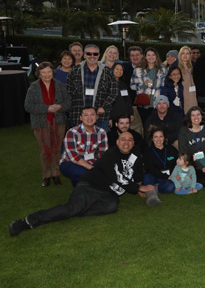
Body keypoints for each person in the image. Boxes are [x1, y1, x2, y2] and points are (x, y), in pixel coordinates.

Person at [9, 131, 158, 237]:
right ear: (117, 142)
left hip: (109, 193)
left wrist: (139, 186)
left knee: (112, 206)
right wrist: (139, 187)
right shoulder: (110, 154)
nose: (126, 142)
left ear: (133, 143)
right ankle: (26, 222)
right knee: (70, 209)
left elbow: (138, 173)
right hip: (90, 186)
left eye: (130, 140)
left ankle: (77, 211)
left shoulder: (137, 154)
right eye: (123, 139)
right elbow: (118, 178)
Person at [25, 61, 71, 187]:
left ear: (53, 72)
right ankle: (46, 176)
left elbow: (68, 103)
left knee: (56, 149)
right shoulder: (33, 87)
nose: (46, 75)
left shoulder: (60, 86)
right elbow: (28, 106)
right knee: (44, 150)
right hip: (41, 123)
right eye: (43, 72)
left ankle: (56, 174)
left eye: (49, 72)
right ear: (39, 74)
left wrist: (60, 106)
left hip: (59, 122)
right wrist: (47, 108)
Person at [67, 44, 118, 129]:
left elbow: (114, 92)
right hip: (78, 116)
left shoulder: (107, 71)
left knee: (100, 141)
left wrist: (104, 106)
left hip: (100, 117)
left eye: (95, 54)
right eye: (89, 53)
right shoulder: (74, 70)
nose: (92, 56)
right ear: (84, 55)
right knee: (79, 141)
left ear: (99, 55)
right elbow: (68, 91)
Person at [60, 107, 109, 186]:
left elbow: (103, 154)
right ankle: (79, 192)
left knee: (106, 169)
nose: (89, 118)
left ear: (96, 117)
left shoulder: (101, 132)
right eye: (86, 115)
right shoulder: (72, 132)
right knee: (80, 172)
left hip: (90, 160)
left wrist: (102, 168)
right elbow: (73, 157)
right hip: (69, 162)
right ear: (81, 118)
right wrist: (92, 168)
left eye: (92, 115)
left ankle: (96, 190)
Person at [178, 106, 205, 186]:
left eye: (198, 114)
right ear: (189, 118)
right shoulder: (183, 131)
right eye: (193, 115)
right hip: (193, 162)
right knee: (203, 182)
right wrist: (201, 166)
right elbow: (184, 152)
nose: (196, 117)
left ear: (202, 116)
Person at [130, 47, 168, 124]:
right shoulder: (138, 70)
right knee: (147, 128)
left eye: (153, 55)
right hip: (144, 105)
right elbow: (132, 86)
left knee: (159, 128)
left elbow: (167, 85)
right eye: (148, 55)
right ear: (145, 57)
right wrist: (144, 85)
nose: (151, 57)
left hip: (158, 105)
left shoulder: (162, 70)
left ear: (156, 56)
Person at [142, 128, 177, 194]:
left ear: (164, 138)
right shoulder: (148, 152)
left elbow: (177, 163)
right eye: (156, 137)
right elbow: (150, 169)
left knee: (171, 186)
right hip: (154, 176)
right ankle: (151, 195)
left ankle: (154, 189)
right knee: (147, 178)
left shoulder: (171, 149)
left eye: (161, 136)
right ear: (152, 139)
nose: (158, 139)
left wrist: (172, 175)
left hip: (168, 177)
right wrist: (165, 176)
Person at [109, 63, 134, 127]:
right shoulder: (108, 83)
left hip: (124, 116)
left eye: (121, 70)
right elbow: (107, 102)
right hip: (113, 117)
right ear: (112, 70)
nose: (119, 71)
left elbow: (127, 100)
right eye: (117, 69)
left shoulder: (123, 84)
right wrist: (109, 118)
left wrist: (131, 113)